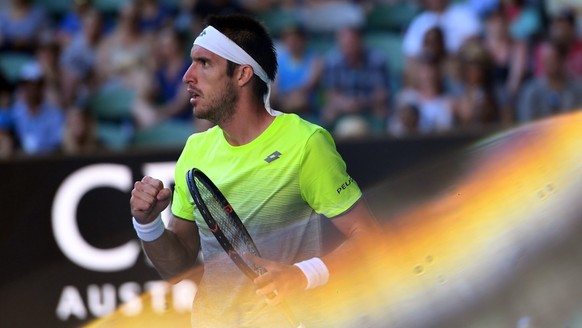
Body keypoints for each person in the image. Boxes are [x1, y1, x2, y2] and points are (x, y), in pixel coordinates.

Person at [129, 14, 380, 327]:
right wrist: (148, 224)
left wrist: (302, 275)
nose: (187, 76)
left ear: (242, 74)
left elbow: (369, 238)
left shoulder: (306, 143)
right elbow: (176, 269)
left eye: (204, 63)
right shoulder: (195, 150)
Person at [320, 25, 390, 137]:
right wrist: (346, 103)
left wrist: (360, 103)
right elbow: (331, 94)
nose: (348, 47)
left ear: (360, 41)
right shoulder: (333, 61)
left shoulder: (376, 60)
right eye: (345, 44)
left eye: (351, 43)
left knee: (382, 110)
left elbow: (382, 94)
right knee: (328, 112)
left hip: (369, 105)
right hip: (343, 107)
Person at [516, 40, 582, 123]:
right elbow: (527, 123)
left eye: (552, 59)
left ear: (562, 60)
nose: (548, 63)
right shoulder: (531, 91)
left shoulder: (578, 89)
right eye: (545, 59)